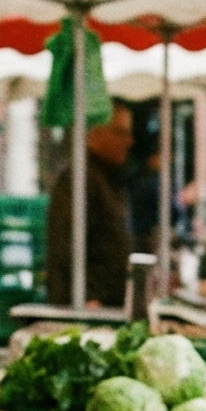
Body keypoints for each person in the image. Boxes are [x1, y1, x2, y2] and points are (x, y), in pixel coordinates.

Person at [45, 98, 134, 308]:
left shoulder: (105, 177)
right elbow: (63, 245)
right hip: (87, 307)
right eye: (120, 132)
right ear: (94, 134)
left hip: (106, 304)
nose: (129, 141)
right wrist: (83, 298)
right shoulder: (78, 179)